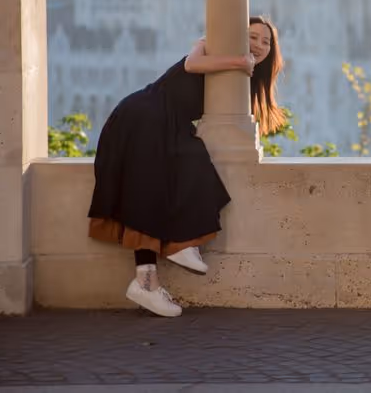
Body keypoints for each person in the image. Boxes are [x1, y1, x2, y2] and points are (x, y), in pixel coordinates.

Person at [87, 16, 287, 317]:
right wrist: (238, 61)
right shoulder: (209, 45)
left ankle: (147, 283)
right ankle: (180, 245)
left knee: (148, 195)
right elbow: (192, 65)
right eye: (252, 36)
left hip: (161, 122)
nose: (259, 45)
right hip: (146, 112)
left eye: (266, 41)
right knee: (192, 160)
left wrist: (242, 66)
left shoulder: (242, 79)